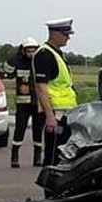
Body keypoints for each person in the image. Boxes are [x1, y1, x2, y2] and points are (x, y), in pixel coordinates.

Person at [33, 18, 77, 167]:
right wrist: (50, 116)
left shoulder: (57, 53)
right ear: (53, 34)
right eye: (65, 34)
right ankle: (50, 188)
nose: (68, 37)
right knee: (53, 154)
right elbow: (41, 87)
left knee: (63, 152)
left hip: (64, 112)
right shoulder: (45, 54)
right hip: (54, 114)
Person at [1, 37, 45, 167]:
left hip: (37, 102)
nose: (31, 54)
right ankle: (14, 157)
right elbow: (7, 70)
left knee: (38, 131)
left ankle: (37, 158)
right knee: (19, 130)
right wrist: (17, 56)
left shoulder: (40, 63)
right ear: (23, 51)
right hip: (23, 103)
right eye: (28, 51)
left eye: (33, 51)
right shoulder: (18, 62)